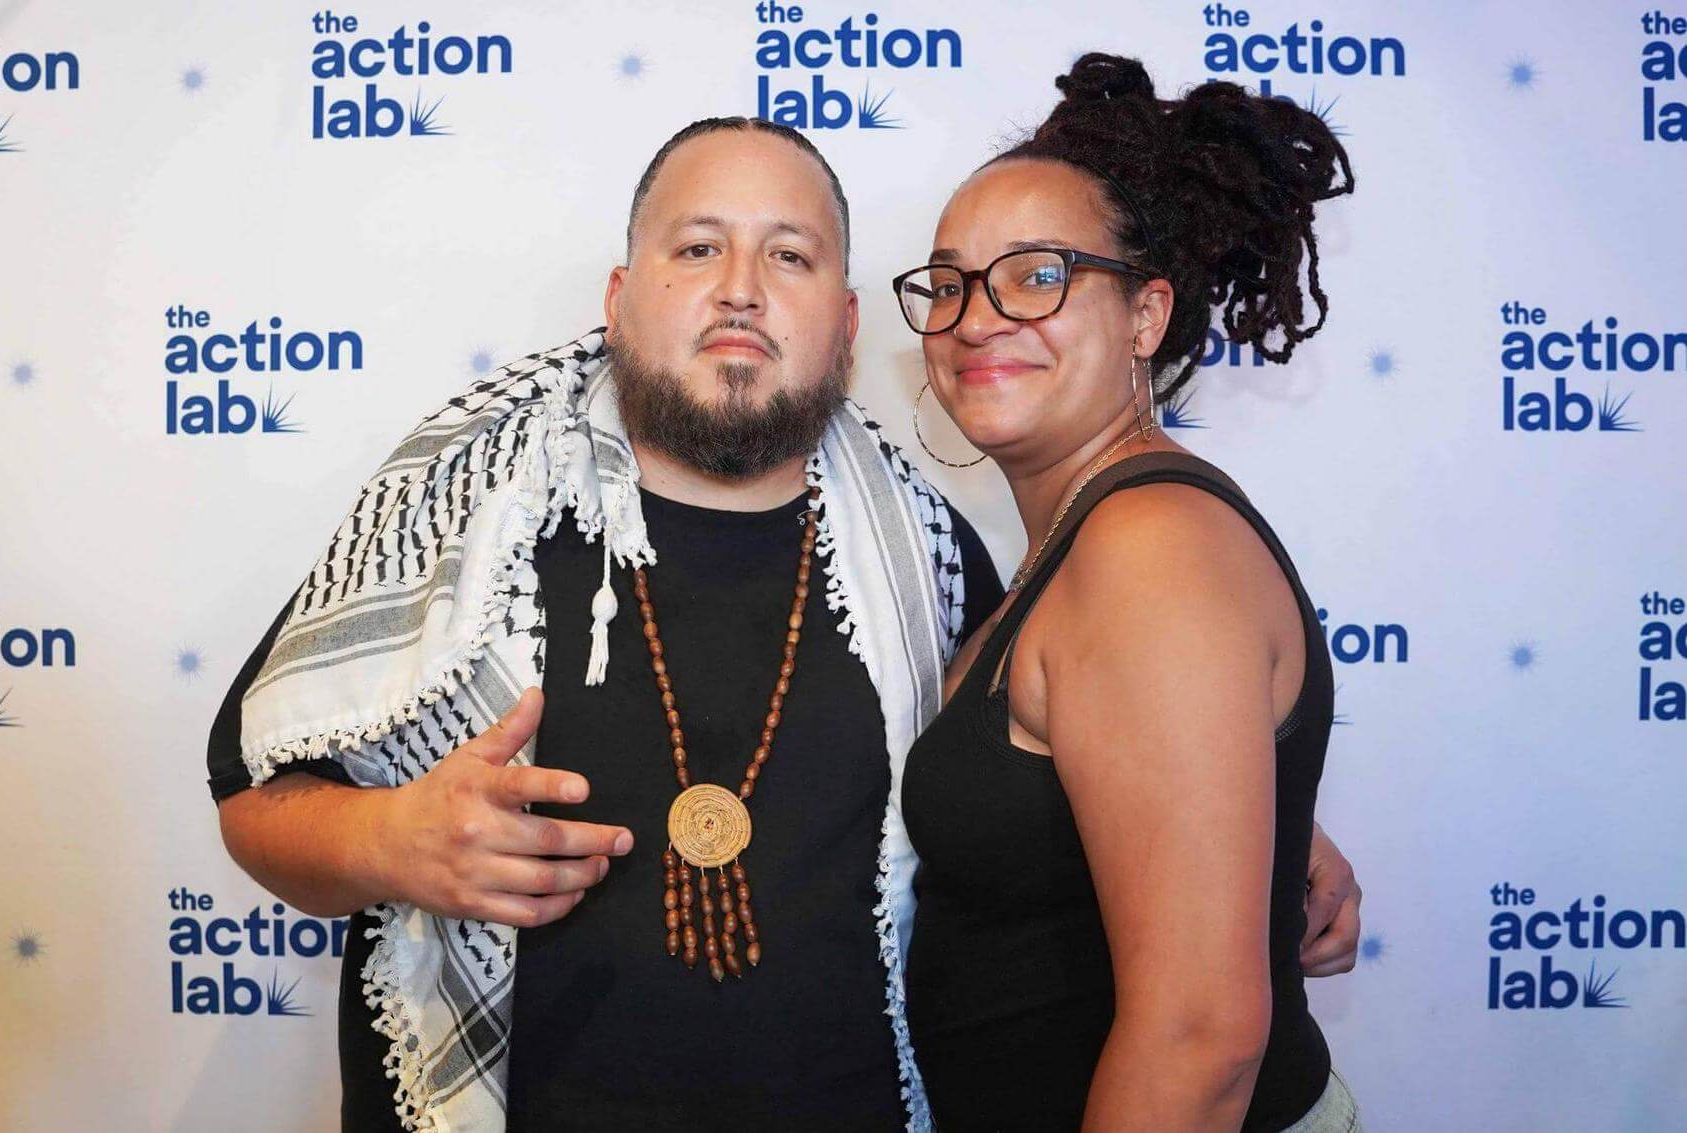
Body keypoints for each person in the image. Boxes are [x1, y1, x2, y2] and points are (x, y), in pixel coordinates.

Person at [207, 115, 1362, 1133]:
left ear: (849, 323)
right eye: (698, 246)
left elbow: (1136, 821)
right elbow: (256, 804)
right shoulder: (455, 524)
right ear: (620, 299)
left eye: (790, 255)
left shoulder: (933, 560)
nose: (741, 287)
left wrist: (1252, 839)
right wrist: (390, 840)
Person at [895, 55, 1363, 1131]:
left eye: (1037, 275)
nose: (976, 317)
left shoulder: (1147, 547)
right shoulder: (1071, 544)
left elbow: (1197, 1037)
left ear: (1144, 315)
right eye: (949, 282)